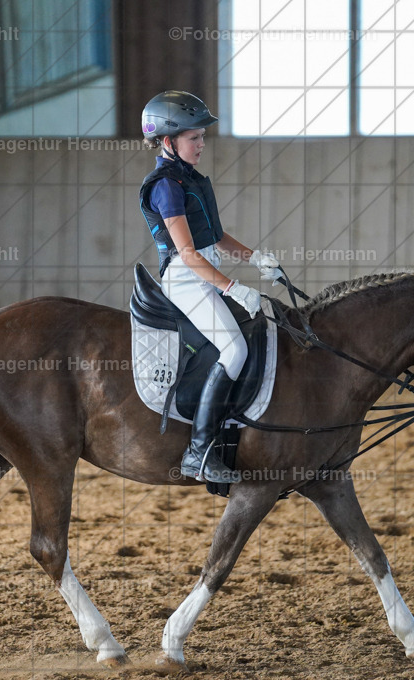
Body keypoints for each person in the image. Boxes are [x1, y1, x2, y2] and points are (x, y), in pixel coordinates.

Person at [138, 90, 284, 484]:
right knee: (234, 348)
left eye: (202, 136)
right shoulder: (166, 185)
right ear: (168, 141)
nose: (202, 144)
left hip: (205, 271)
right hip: (186, 280)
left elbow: (213, 237)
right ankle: (198, 452)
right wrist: (233, 287)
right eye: (194, 138)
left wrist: (255, 258)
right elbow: (186, 252)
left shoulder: (190, 179)